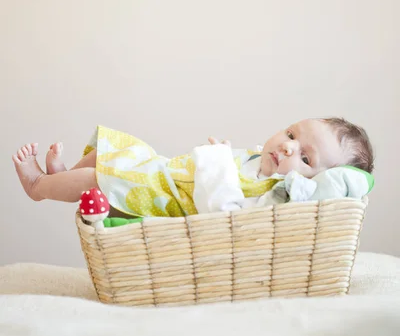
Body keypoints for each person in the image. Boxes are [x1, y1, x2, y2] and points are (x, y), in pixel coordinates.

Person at [12, 117, 374, 217]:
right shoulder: (255, 160)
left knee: (98, 178)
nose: (288, 145)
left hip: (166, 201)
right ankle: (62, 177)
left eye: (306, 158)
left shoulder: (272, 198)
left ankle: (38, 186)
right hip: (163, 172)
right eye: (292, 133)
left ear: (313, 183)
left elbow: (222, 214)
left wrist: (216, 162)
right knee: (113, 149)